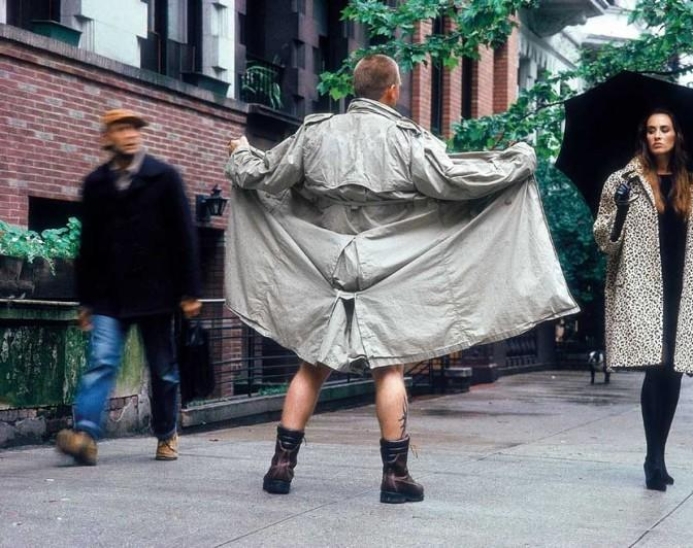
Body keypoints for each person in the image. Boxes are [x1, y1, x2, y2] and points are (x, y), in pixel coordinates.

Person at [224, 54, 579, 503]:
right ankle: (395, 476)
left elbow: (262, 175)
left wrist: (240, 152)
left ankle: (281, 466)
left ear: (355, 89)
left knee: (312, 364)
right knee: (388, 365)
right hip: (389, 266)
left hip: (324, 262)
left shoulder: (314, 133)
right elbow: (453, 179)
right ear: (392, 91)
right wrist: (519, 160)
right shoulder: (407, 138)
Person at [56, 109, 202, 465]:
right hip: (109, 296)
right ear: (107, 137)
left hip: (157, 293)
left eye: (135, 128)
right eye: (122, 129)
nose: (131, 134)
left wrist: (189, 291)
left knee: (163, 369)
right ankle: (85, 435)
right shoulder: (95, 184)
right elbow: (88, 246)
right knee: (101, 361)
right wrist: (85, 301)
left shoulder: (164, 177)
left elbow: (184, 235)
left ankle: (166, 433)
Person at [593, 108, 693, 491]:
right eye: (651, 130)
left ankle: (660, 454)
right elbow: (605, 242)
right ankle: (653, 458)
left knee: (674, 372)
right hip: (643, 288)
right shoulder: (623, 181)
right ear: (643, 136)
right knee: (655, 369)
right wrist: (620, 208)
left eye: (664, 129)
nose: (657, 136)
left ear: (677, 135)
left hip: (683, 289)